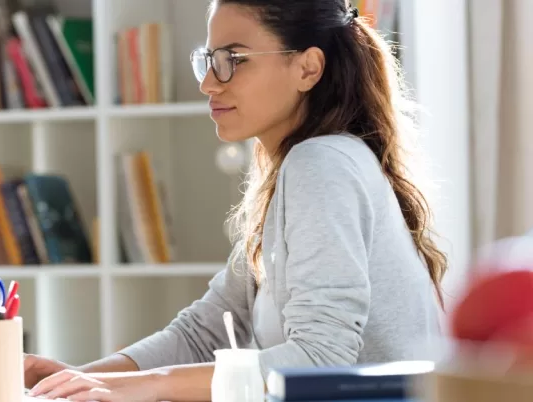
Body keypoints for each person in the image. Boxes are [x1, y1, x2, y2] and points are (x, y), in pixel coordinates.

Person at [24, 0, 447, 400]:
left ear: (308, 68)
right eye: (207, 61)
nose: (209, 82)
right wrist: (79, 379)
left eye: (233, 60)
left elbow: (320, 359)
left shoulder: (321, 164)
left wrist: (151, 386)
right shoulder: (300, 171)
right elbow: (203, 332)